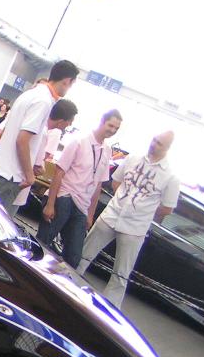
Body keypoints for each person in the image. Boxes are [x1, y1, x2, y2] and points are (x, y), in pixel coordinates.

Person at [76, 131, 180, 307]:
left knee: (121, 273)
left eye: (159, 143)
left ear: (167, 148)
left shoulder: (170, 176)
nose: (154, 145)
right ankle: (69, 285)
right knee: (84, 254)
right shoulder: (133, 158)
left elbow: (167, 208)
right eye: (154, 140)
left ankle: (108, 309)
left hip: (135, 227)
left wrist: (143, 210)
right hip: (111, 215)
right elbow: (116, 181)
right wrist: (123, 198)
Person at [0, 59, 79, 212]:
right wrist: (29, 176)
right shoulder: (44, 101)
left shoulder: (31, 94)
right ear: (67, 81)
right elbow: (22, 140)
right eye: (71, 84)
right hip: (10, 175)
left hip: (0, 167)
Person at [37, 108, 120, 268]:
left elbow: (98, 185)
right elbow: (59, 172)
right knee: (43, 243)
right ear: (102, 122)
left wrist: (90, 215)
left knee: (73, 258)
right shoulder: (80, 141)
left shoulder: (107, 150)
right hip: (65, 196)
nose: (112, 130)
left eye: (116, 128)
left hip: (82, 206)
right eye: (110, 125)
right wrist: (50, 204)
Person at [10, 98, 78, 214]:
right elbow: (39, 165)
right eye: (70, 121)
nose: (70, 125)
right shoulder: (46, 132)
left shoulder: (29, 122)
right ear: (61, 121)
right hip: (19, 181)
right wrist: (32, 175)